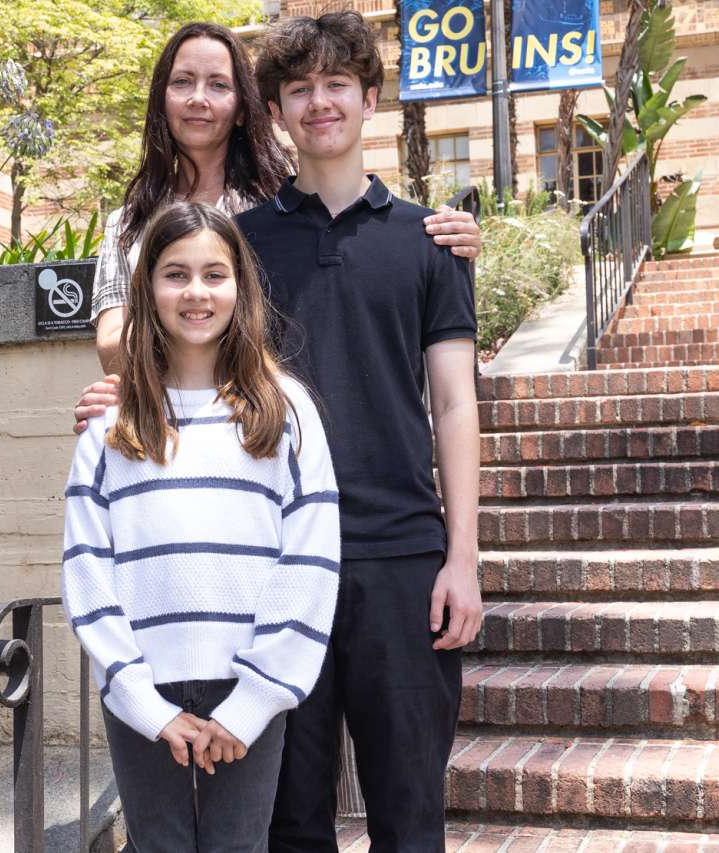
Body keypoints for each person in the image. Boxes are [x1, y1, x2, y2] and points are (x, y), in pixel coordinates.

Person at [240, 14, 483, 851]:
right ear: (276, 110)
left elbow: (454, 404)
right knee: (290, 818)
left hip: (402, 561)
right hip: (275, 563)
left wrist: (462, 559)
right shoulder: (240, 248)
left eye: (337, 83)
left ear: (370, 98)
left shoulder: (431, 243)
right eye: (299, 88)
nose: (319, 102)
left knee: (409, 813)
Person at [61, 200, 341, 852]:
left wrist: (253, 700)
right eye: (175, 274)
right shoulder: (110, 426)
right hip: (140, 688)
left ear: (240, 286)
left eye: (214, 274)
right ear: (147, 289)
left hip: (249, 681)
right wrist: (142, 701)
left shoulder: (285, 409)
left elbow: (310, 559)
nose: (195, 291)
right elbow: (86, 565)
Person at [90, 20, 482, 373]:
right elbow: (111, 345)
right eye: (182, 82)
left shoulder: (279, 206)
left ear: (245, 109)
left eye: (219, 85)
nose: (198, 98)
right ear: (161, 99)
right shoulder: (128, 223)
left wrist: (440, 235)